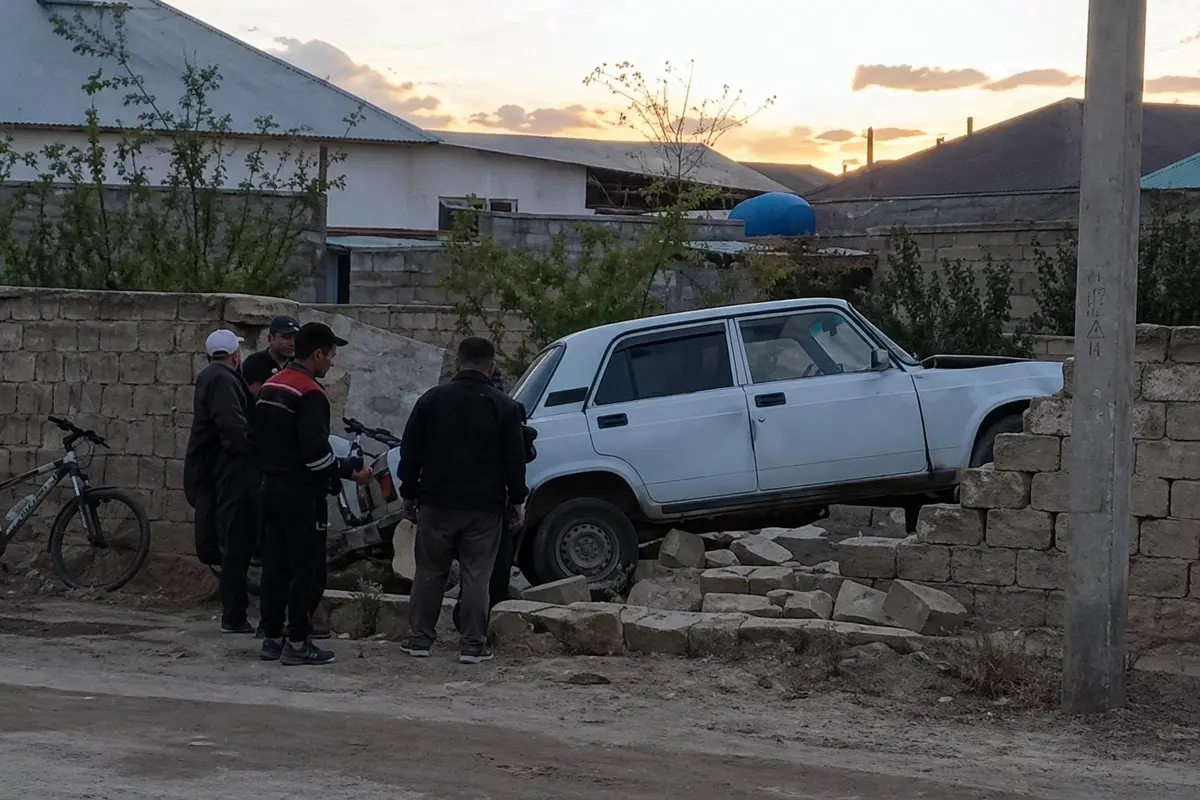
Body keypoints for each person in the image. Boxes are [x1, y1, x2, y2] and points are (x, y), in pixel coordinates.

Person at [397, 336, 528, 665]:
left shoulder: (431, 401)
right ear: (492, 366)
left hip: (436, 502)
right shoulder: (505, 407)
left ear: (457, 363)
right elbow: (515, 460)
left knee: (429, 572)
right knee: (476, 575)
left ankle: (420, 639)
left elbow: (410, 452)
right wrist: (517, 498)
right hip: (484, 508)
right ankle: (472, 644)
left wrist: (409, 493)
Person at [254, 322, 372, 666]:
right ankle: (299, 642)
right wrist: (351, 469)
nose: (332, 363)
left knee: (274, 566)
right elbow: (316, 457)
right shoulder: (310, 394)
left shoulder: (271, 385)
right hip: (301, 495)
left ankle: (272, 636)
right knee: (306, 570)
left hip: (269, 488)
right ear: (317, 353)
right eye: (331, 355)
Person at [183, 329, 258, 634]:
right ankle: (234, 614)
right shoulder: (223, 380)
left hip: (219, 471)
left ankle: (235, 612)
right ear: (236, 355)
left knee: (232, 541)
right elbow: (233, 430)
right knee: (234, 543)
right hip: (228, 472)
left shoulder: (211, 377)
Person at [242, 315, 300, 395]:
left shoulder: (298, 364)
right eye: (286, 337)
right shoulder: (254, 363)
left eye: (296, 338)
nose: (292, 343)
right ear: (270, 338)